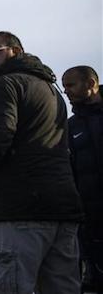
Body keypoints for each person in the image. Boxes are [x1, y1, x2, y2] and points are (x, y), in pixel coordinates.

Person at [0, 31, 84, 293]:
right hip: (62, 209)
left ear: (16, 51)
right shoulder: (52, 91)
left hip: (19, 210)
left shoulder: (4, 85)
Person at [62, 65, 103, 292]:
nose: (66, 91)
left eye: (71, 85)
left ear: (90, 84)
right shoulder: (71, 126)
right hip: (90, 216)